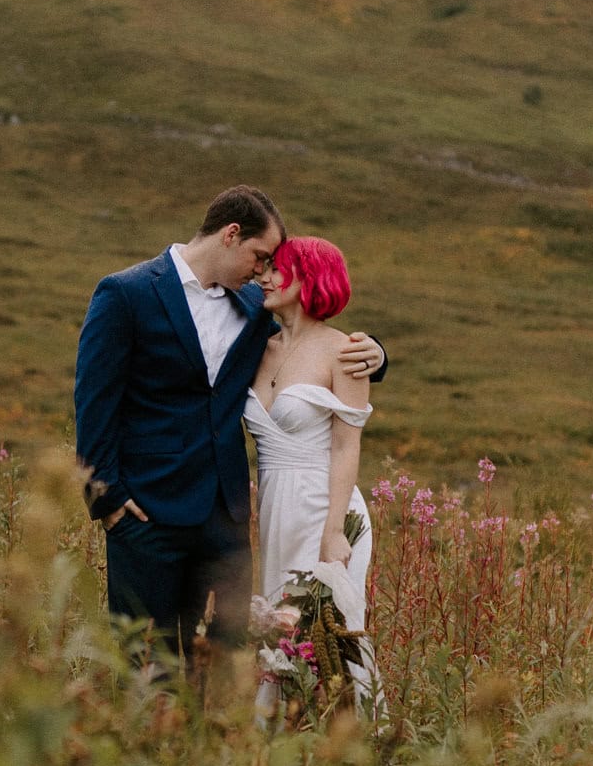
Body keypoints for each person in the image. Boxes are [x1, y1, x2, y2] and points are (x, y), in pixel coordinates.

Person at [75, 186, 385, 657]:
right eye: (260, 257)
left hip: (226, 524)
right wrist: (107, 499)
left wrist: (378, 355)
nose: (262, 272)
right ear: (231, 235)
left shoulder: (252, 310)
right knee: (143, 657)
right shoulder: (127, 292)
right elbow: (94, 400)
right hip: (146, 515)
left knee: (227, 660)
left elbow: (316, 340)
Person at [244, 235, 380, 710]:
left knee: (325, 638)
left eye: (277, 269)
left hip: (326, 508)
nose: (264, 276)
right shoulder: (259, 348)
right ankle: (278, 745)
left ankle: (345, 745)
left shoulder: (346, 352)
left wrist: (333, 532)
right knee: (279, 636)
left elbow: (347, 446)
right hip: (277, 506)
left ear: (309, 278)